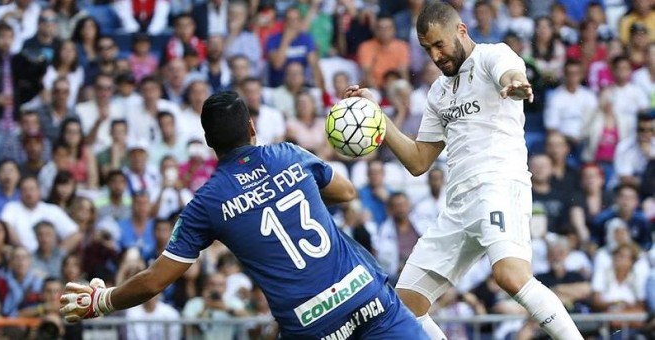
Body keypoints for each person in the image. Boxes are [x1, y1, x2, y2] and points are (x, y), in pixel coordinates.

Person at [60, 90, 428, 339]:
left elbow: (156, 279)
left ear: (208, 143)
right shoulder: (288, 154)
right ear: (252, 127)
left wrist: (103, 300)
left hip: (312, 324)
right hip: (366, 295)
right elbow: (346, 191)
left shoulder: (206, 203)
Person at [345, 2, 582, 339]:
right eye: (427, 49)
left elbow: (510, 73)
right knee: (403, 306)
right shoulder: (438, 91)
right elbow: (418, 161)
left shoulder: (491, 56)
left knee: (511, 276)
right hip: (457, 204)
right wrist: (378, 115)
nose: (436, 55)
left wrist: (516, 83)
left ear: (461, 31)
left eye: (439, 44)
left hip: (498, 185)